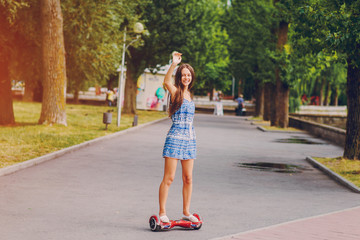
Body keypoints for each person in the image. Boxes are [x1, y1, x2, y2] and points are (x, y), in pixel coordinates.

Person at [159, 51, 198, 223]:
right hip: (175, 138)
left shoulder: (190, 95)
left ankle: (186, 212)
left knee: (188, 178)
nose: (186, 78)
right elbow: (166, 81)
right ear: (179, 77)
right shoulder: (175, 91)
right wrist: (174, 63)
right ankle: (162, 213)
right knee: (170, 177)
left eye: (188, 75)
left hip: (190, 140)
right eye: (183, 75)